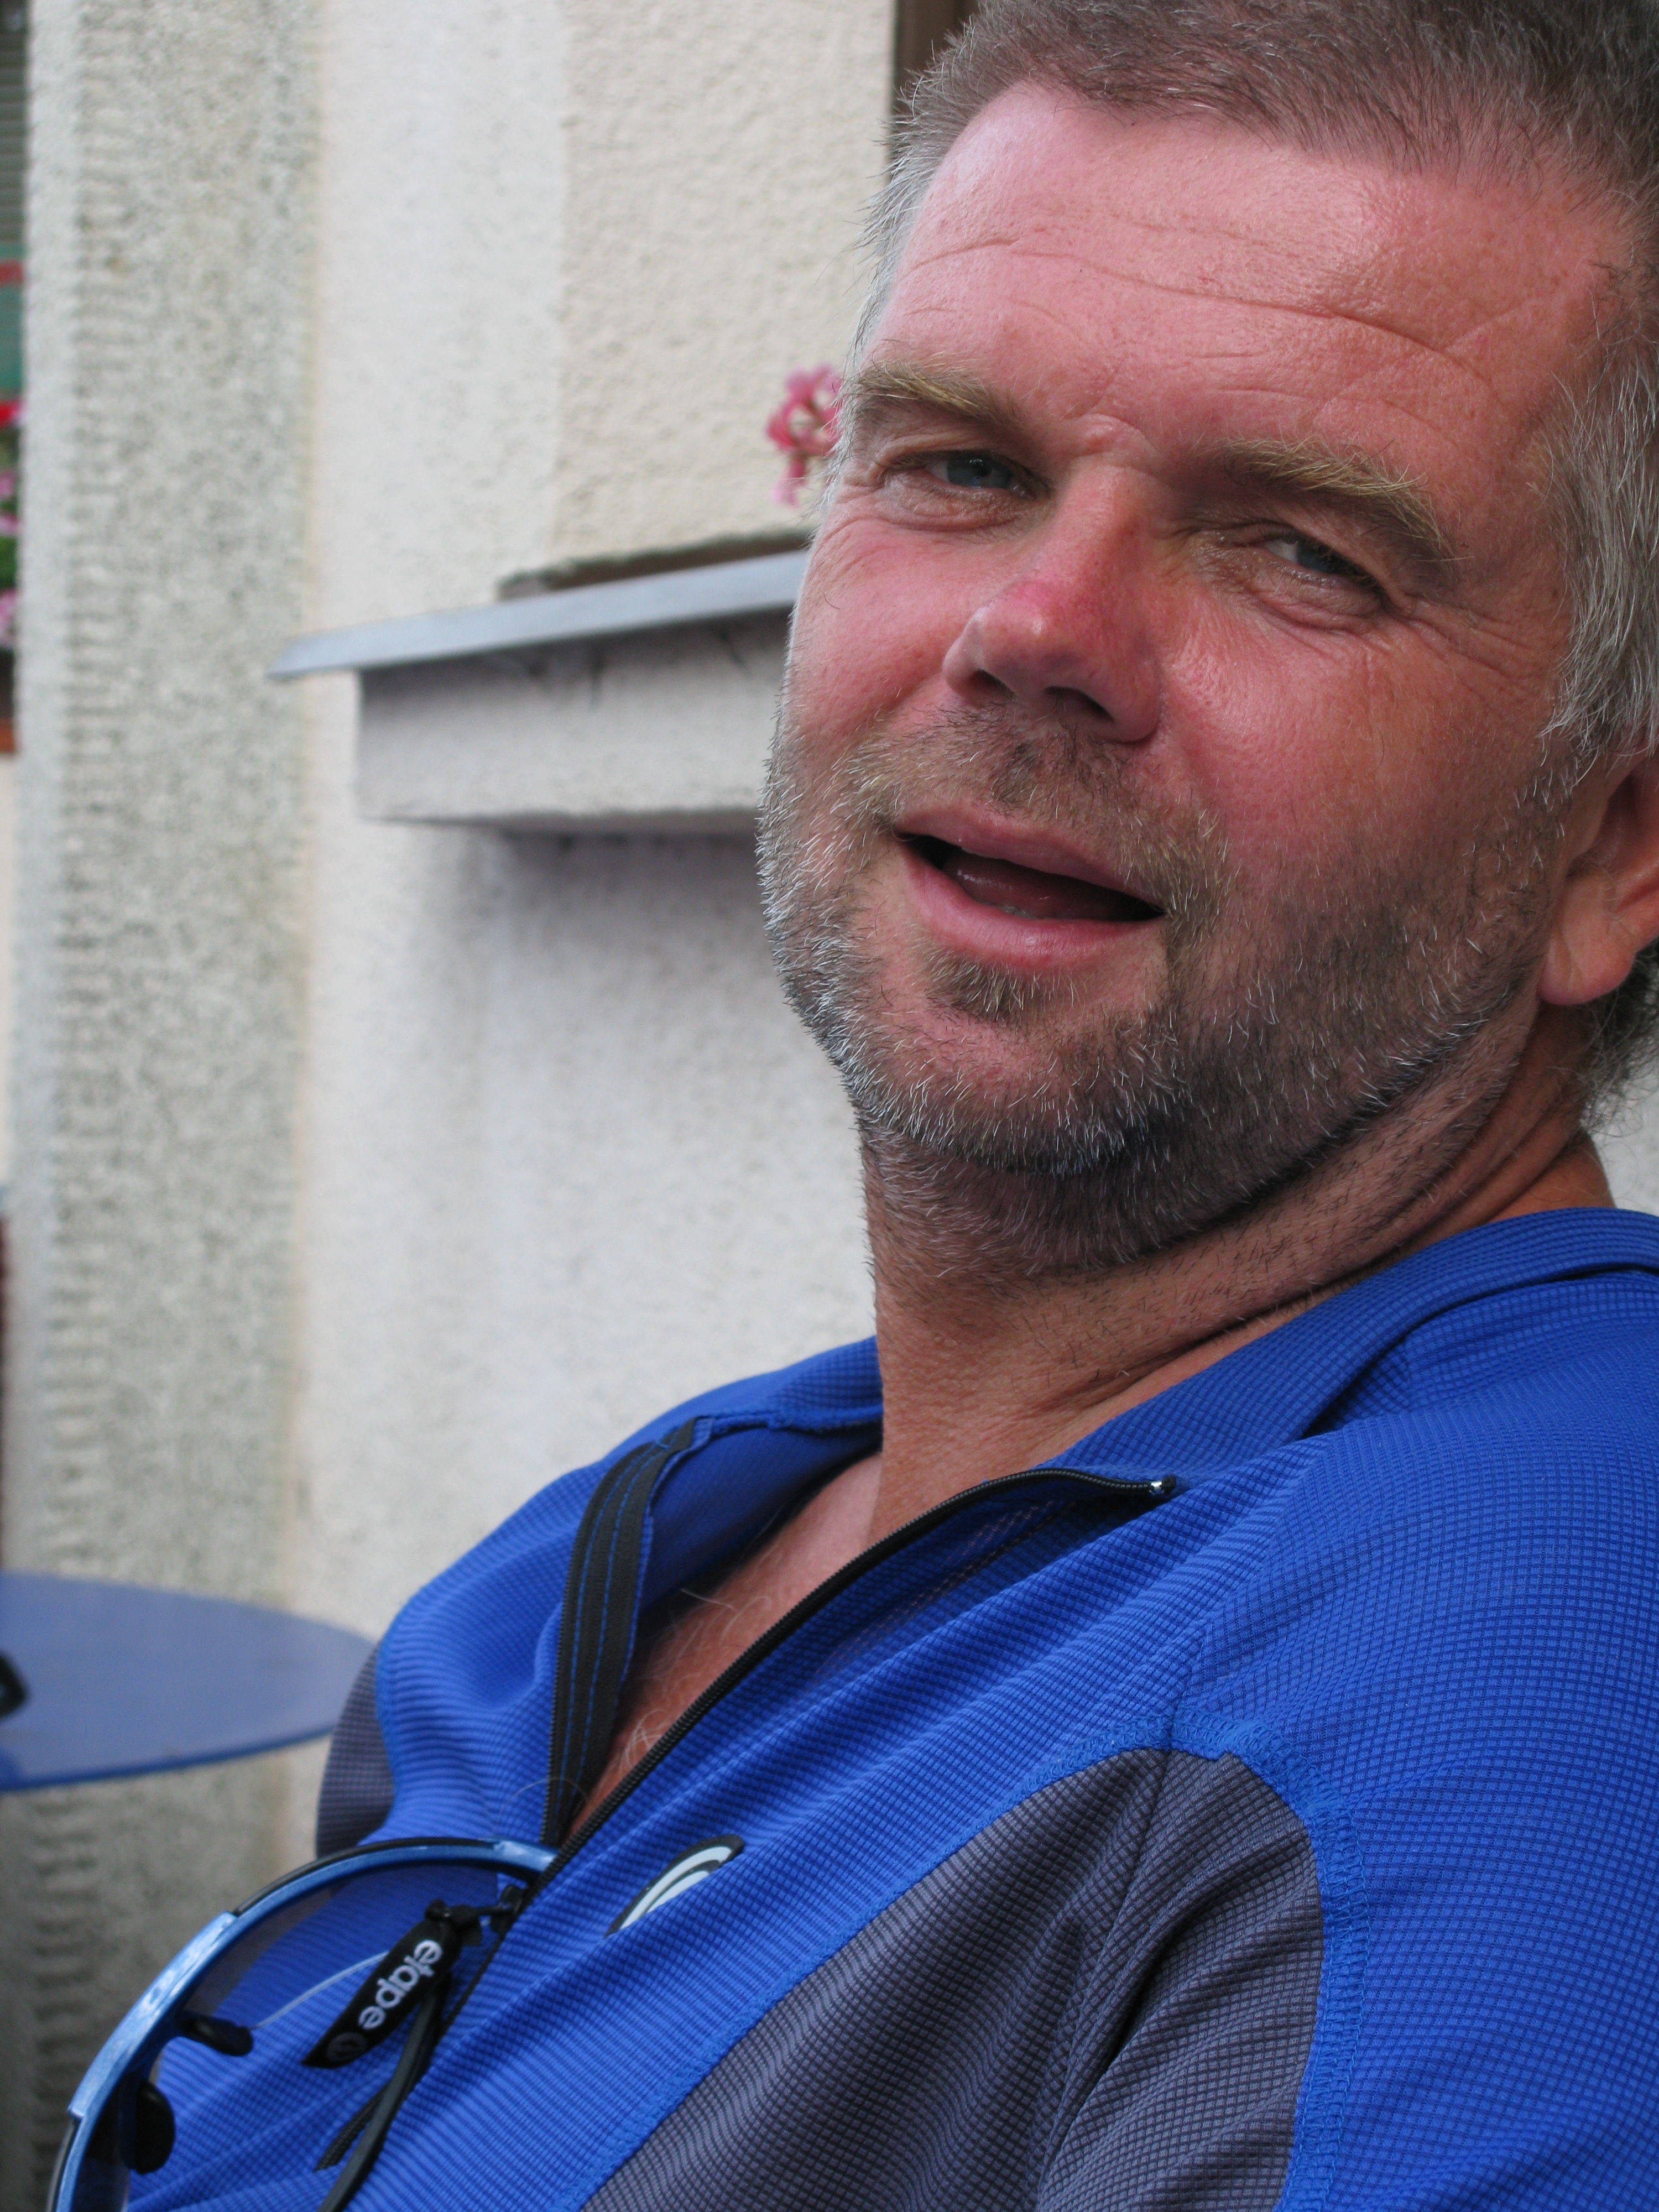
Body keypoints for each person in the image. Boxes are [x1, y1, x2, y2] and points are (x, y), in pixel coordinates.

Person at [79, 2, 1659, 2206]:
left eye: (1304, 548)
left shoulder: (1539, 1683)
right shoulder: (614, 1559)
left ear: (1614, 842)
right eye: (960, 464)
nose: (1037, 628)